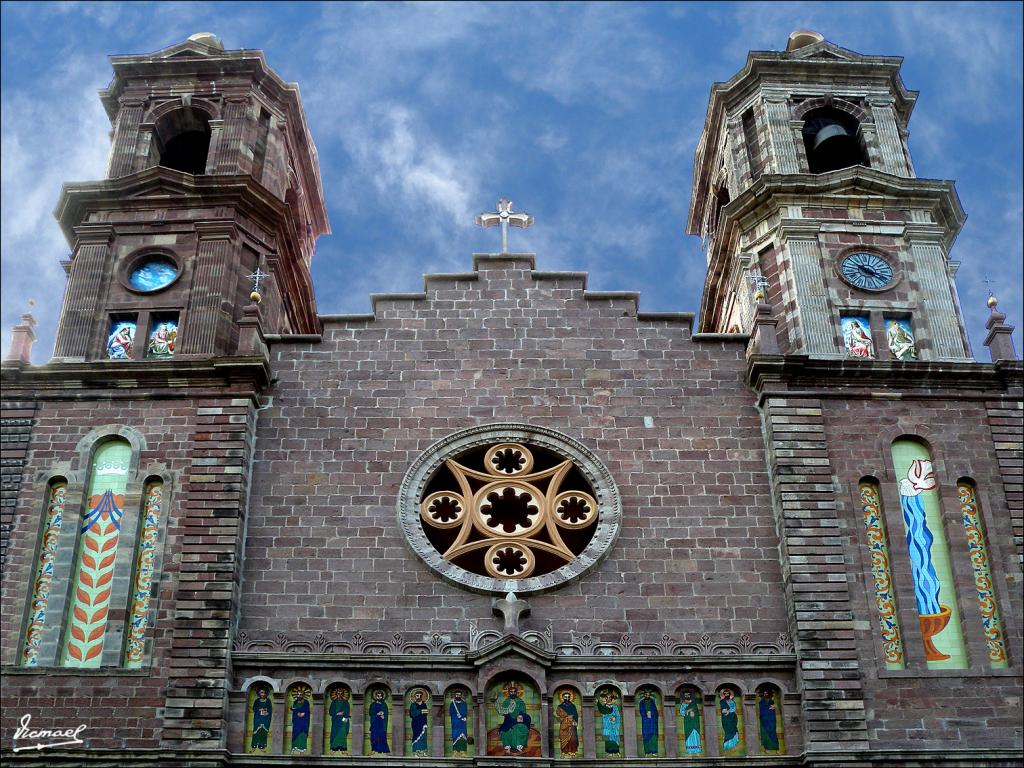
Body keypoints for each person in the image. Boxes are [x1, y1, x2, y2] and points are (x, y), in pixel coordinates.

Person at [495, 681, 530, 754]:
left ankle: (519, 747)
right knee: (503, 731)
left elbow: (523, 711)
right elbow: (503, 711)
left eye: (514, 692)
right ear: (508, 692)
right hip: (508, 720)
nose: (512, 693)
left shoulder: (520, 701)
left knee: (520, 729)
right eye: (511, 692)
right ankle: (508, 748)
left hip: (518, 720)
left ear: (517, 693)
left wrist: (520, 715)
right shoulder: (506, 701)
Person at [596, 689, 621, 755]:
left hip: (614, 725)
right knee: (607, 737)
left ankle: (616, 751)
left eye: (610, 697)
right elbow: (602, 711)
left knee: (615, 737)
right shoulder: (604, 706)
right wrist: (598, 701)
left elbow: (618, 716)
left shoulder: (615, 706)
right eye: (607, 697)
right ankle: (609, 752)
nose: (608, 699)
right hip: (607, 724)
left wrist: (614, 718)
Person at [555, 690, 579, 757]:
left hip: (572, 723)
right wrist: (563, 717)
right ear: (563, 698)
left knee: (573, 738)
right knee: (563, 737)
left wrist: (575, 721)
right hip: (564, 724)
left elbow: (576, 714)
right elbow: (558, 714)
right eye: (565, 697)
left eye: (568, 697)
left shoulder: (572, 706)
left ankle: (573, 751)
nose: (567, 698)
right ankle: (564, 751)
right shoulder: (560, 706)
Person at [679, 689, 702, 755]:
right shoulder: (683, 704)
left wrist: (693, 712)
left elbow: (697, 712)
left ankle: (697, 749)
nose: (687, 696)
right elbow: (682, 712)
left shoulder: (693, 703)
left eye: (688, 695)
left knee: (695, 733)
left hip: (695, 721)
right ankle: (690, 749)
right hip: (687, 722)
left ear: (690, 695)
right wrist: (687, 711)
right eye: (685, 695)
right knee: (688, 734)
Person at [328, 688, 350, 753]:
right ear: (336, 694)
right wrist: (336, 713)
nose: (339, 695)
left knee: (342, 732)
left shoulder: (345, 702)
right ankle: (334, 748)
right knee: (334, 732)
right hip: (335, 720)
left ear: (343, 694)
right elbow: (330, 712)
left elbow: (347, 711)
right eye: (338, 693)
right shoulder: (333, 702)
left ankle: (343, 748)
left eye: (341, 694)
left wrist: (343, 713)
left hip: (343, 720)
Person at [638, 688, 660, 756]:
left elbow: (655, 711)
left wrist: (652, 714)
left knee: (654, 736)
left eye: (648, 695)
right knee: (646, 736)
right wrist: (646, 715)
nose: (647, 696)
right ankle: (647, 752)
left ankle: (654, 751)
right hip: (646, 722)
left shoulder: (652, 701)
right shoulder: (641, 702)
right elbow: (641, 711)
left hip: (653, 721)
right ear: (644, 695)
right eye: (646, 694)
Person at [250, 687, 272, 752]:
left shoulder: (268, 701)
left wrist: (266, 711)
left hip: (265, 718)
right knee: (256, 731)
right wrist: (260, 710)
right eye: (261, 693)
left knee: (263, 732)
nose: (263, 694)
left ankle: (262, 747)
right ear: (259, 693)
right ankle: (254, 746)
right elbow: (254, 708)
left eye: (264, 693)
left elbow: (270, 709)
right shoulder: (257, 701)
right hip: (258, 718)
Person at [369, 689, 390, 754]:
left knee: (382, 736)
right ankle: (373, 750)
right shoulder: (373, 704)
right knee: (374, 736)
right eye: (378, 696)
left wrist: (383, 715)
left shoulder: (384, 705)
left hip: (381, 723)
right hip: (375, 722)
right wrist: (377, 714)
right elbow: (370, 712)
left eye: (380, 696)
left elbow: (386, 713)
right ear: (376, 697)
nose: (379, 697)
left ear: (382, 697)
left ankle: (383, 750)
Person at [409, 688, 430, 756]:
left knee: (423, 737)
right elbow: (412, 714)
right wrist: (421, 711)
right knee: (416, 736)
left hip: (423, 723)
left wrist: (424, 711)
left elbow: (426, 712)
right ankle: (415, 752)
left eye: (420, 695)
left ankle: (424, 752)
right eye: (417, 696)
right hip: (416, 723)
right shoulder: (413, 705)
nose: (418, 697)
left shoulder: (424, 704)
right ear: (415, 697)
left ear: (422, 696)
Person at [290, 687, 310, 753]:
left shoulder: (306, 702)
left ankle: (302, 748)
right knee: (295, 733)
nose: (299, 696)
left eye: (301, 694)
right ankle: (294, 747)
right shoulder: (295, 702)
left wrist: (298, 711)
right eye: (298, 694)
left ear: (303, 695)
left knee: (302, 734)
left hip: (303, 721)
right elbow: (294, 711)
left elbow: (306, 712)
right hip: (296, 721)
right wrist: (296, 712)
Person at [719, 689, 740, 753]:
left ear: (730, 694)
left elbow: (734, 708)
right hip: (726, 719)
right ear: (724, 695)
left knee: (733, 730)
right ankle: (727, 746)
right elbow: (723, 710)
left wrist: (729, 711)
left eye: (728, 694)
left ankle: (733, 745)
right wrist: (727, 711)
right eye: (725, 694)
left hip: (733, 718)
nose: (726, 695)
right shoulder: (722, 701)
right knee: (728, 732)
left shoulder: (732, 701)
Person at [449, 689, 469, 754]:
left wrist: (464, 717)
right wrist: (456, 715)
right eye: (457, 695)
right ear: (455, 696)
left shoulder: (464, 703)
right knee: (455, 735)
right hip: (455, 722)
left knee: (463, 735)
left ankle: (463, 750)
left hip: (462, 723)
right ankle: (455, 750)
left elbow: (465, 712)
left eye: (459, 695)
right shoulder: (453, 704)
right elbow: (451, 712)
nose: (458, 696)